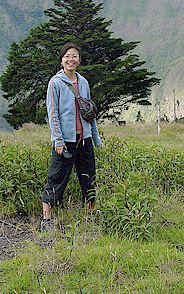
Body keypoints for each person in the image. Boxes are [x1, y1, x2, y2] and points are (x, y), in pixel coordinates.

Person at [41, 42, 102, 232]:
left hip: (84, 139)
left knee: (89, 178)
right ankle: (47, 220)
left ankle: (90, 217)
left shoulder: (83, 82)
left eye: (74, 56)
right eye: (67, 56)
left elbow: (89, 112)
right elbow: (53, 113)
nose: (71, 59)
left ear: (79, 60)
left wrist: (95, 137)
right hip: (65, 142)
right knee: (56, 178)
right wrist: (57, 140)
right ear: (61, 60)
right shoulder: (55, 83)